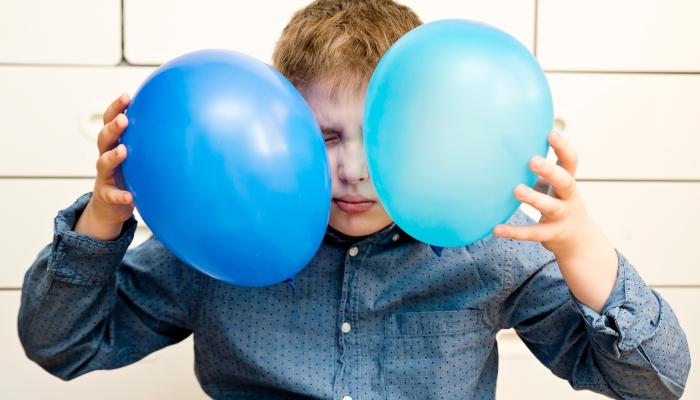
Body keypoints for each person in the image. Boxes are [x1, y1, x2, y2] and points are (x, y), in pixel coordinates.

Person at [18, 0, 690, 399]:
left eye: (382, 136)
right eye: (324, 136)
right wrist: (104, 219)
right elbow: (61, 347)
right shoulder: (219, 244)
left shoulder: (493, 249)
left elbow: (657, 382)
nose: (355, 171)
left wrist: (582, 245)